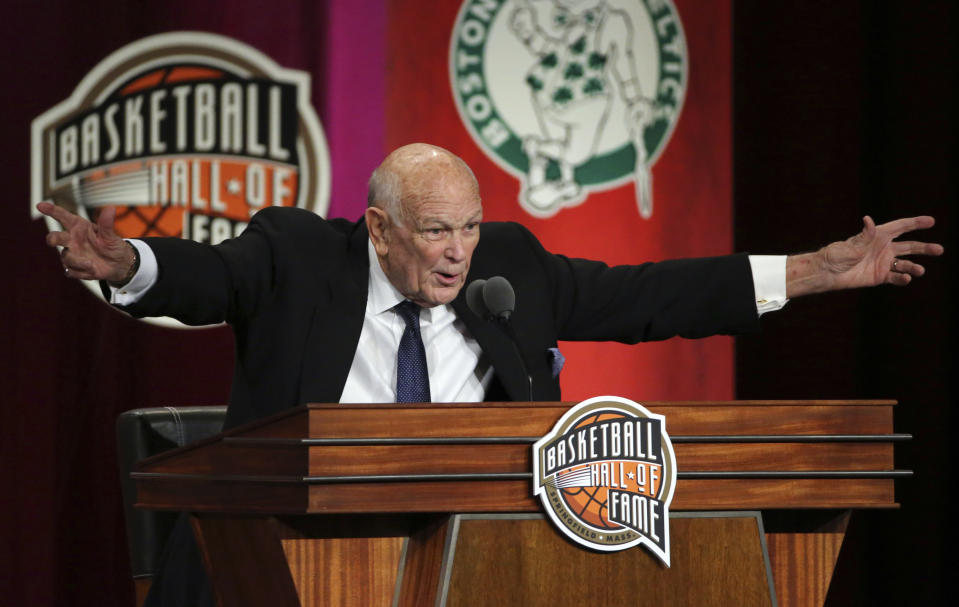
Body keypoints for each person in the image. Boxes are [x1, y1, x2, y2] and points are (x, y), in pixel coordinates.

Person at [37, 142, 943, 606]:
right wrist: (128, 268)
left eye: (468, 227)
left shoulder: (511, 270)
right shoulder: (298, 256)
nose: (458, 253)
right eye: (435, 231)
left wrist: (817, 270)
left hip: (478, 567)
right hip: (288, 559)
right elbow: (211, 278)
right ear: (380, 226)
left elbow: (650, 297)